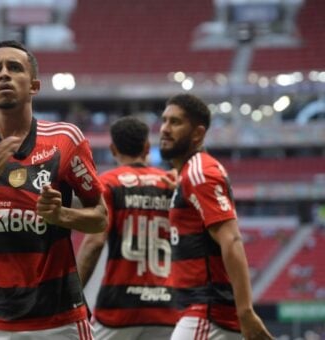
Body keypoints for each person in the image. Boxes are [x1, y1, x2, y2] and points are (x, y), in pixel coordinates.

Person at [0, 40, 108, 340]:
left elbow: (100, 218)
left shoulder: (65, 140)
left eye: (14, 68)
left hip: (62, 319)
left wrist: (62, 215)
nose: (4, 74)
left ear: (34, 86)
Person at [159, 93, 274, 340]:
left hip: (207, 312)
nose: (165, 129)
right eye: (164, 120)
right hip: (204, 312)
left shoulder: (199, 173)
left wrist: (245, 312)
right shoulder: (190, 173)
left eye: (176, 122)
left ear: (198, 134)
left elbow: (231, 240)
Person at [76, 116, 178, 340]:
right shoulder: (172, 184)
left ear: (113, 149)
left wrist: (73, 294)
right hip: (168, 305)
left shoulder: (108, 183)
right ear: (147, 147)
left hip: (119, 307)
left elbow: (94, 242)